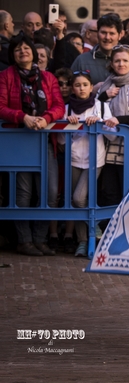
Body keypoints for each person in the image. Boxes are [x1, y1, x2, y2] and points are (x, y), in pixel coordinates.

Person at [0, 33, 65, 255]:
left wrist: (46, 118)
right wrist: (22, 117)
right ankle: (24, 241)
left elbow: (58, 106)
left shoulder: (48, 78)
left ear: (33, 53)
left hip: (44, 140)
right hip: (19, 142)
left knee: (50, 192)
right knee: (23, 194)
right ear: (12, 54)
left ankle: (40, 239)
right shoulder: (5, 76)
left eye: (26, 48)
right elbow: (1, 107)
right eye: (17, 49)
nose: (22, 51)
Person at [57, 70, 115, 257]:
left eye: (85, 85)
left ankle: (94, 224)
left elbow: (112, 136)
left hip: (94, 160)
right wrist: (68, 124)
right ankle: (83, 241)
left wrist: (99, 122)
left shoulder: (102, 106)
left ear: (91, 87)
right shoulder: (66, 109)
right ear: (72, 88)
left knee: (78, 198)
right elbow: (61, 142)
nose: (81, 88)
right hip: (73, 158)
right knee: (75, 202)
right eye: (77, 85)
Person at [96, 44, 129, 206]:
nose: (121, 64)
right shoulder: (107, 85)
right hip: (109, 147)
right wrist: (103, 96)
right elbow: (95, 110)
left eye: (124, 60)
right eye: (117, 61)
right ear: (111, 63)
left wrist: (119, 119)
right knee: (109, 192)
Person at [48, 68, 76, 252]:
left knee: (71, 194)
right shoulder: (52, 105)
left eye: (68, 84)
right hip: (57, 151)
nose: (64, 88)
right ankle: (52, 233)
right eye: (60, 84)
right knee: (54, 194)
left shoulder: (78, 104)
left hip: (75, 155)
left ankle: (68, 235)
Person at [71, 14, 124, 84]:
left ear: (120, 35)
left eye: (112, 33)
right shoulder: (82, 60)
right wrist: (91, 91)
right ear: (97, 33)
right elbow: (71, 90)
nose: (107, 37)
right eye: (103, 33)